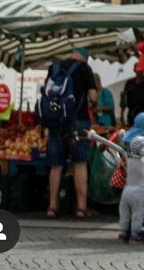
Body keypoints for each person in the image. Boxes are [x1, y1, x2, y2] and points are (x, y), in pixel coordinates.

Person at [45, 48, 98, 219]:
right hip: (78, 120)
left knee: (56, 165)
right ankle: (81, 208)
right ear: (85, 57)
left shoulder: (54, 67)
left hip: (55, 121)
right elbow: (93, 96)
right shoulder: (84, 68)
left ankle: (52, 207)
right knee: (80, 163)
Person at [118, 136, 144, 243]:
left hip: (126, 190)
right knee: (138, 213)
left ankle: (123, 232)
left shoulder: (130, 160)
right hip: (138, 192)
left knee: (124, 213)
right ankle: (135, 234)